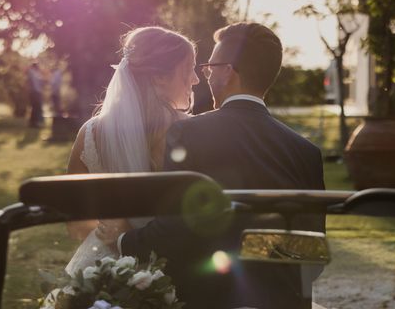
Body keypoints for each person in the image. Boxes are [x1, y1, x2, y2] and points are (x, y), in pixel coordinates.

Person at [97, 22, 325, 309]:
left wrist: (122, 240)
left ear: (227, 71)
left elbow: (174, 232)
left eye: (209, 67)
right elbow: (312, 255)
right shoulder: (306, 152)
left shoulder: (190, 134)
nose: (203, 76)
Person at [64, 26, 200, 275]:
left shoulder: (90, 133)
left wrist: (112, 233)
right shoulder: (193, 132)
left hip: (102, 270)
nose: (196, 79)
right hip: (173, 270)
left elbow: (76, 222)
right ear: (159, 77)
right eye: (189, 68)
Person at [27, 62, 45, 128]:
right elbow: (33, 82)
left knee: (35, 108)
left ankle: (33, 123)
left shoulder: (36, 73)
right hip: (35, 92)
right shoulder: (32, 72)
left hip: (36, 92)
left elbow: (40, 82)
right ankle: (34, 123)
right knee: (35, 107)